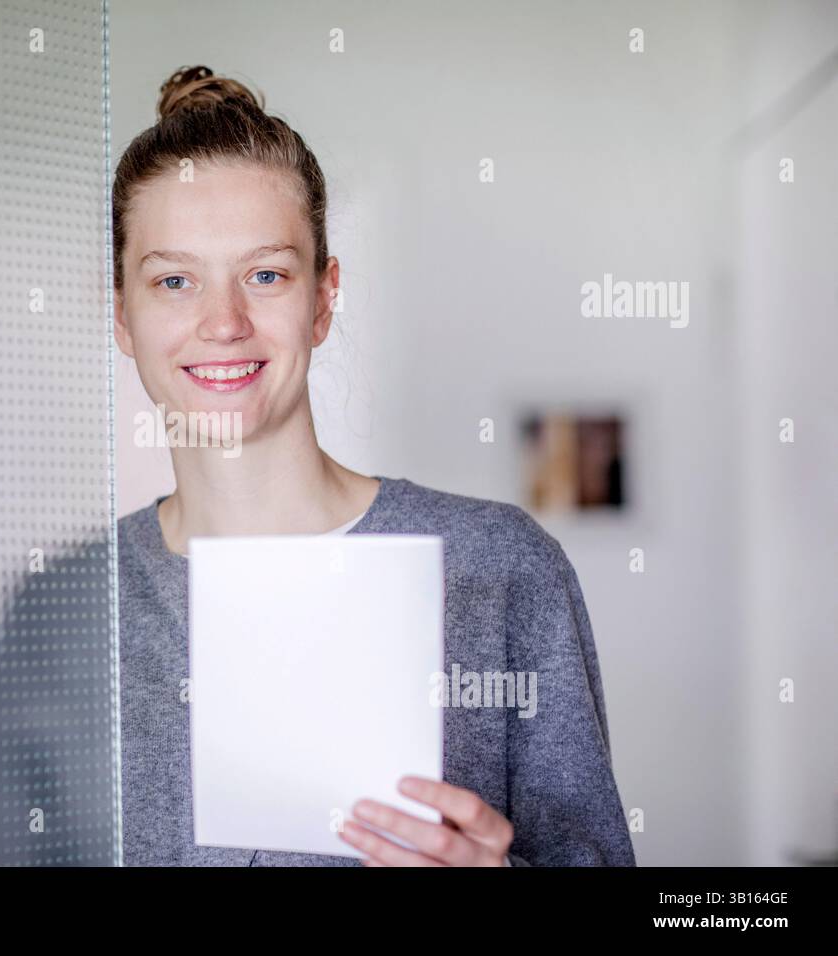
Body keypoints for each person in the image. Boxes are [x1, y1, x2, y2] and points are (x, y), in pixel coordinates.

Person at [112, 66, 635, 866]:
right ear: (123, 315)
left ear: (323, 300)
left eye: (265, 275)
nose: (223, 323)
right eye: (175, 280)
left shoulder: (501, 568)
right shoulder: (71, 607)